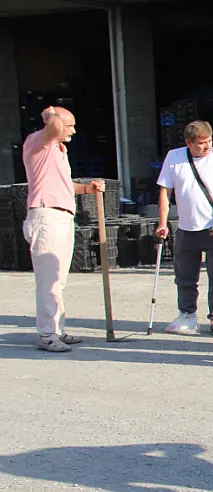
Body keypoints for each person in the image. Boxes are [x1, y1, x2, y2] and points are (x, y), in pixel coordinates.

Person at [21, 106, 105, 352]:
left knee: (58, 280)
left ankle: (57, 328)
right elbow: (54, 126)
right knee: (49, 280)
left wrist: (86, 189)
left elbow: (63, 183)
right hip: (47, 214)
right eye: (70, 125)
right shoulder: (39, 143)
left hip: (62, 215)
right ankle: (47, 334)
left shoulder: (58, 150)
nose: (73, 130)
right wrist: (51, 114)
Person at [156, 121, 213, 336]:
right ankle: (187, 314)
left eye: (209, 141)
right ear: (188, 143)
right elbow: (165, 193)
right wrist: (163, 223)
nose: (206, 147)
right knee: (184, 275)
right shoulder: (174, 157)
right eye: (201, 143)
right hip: (186, 227)